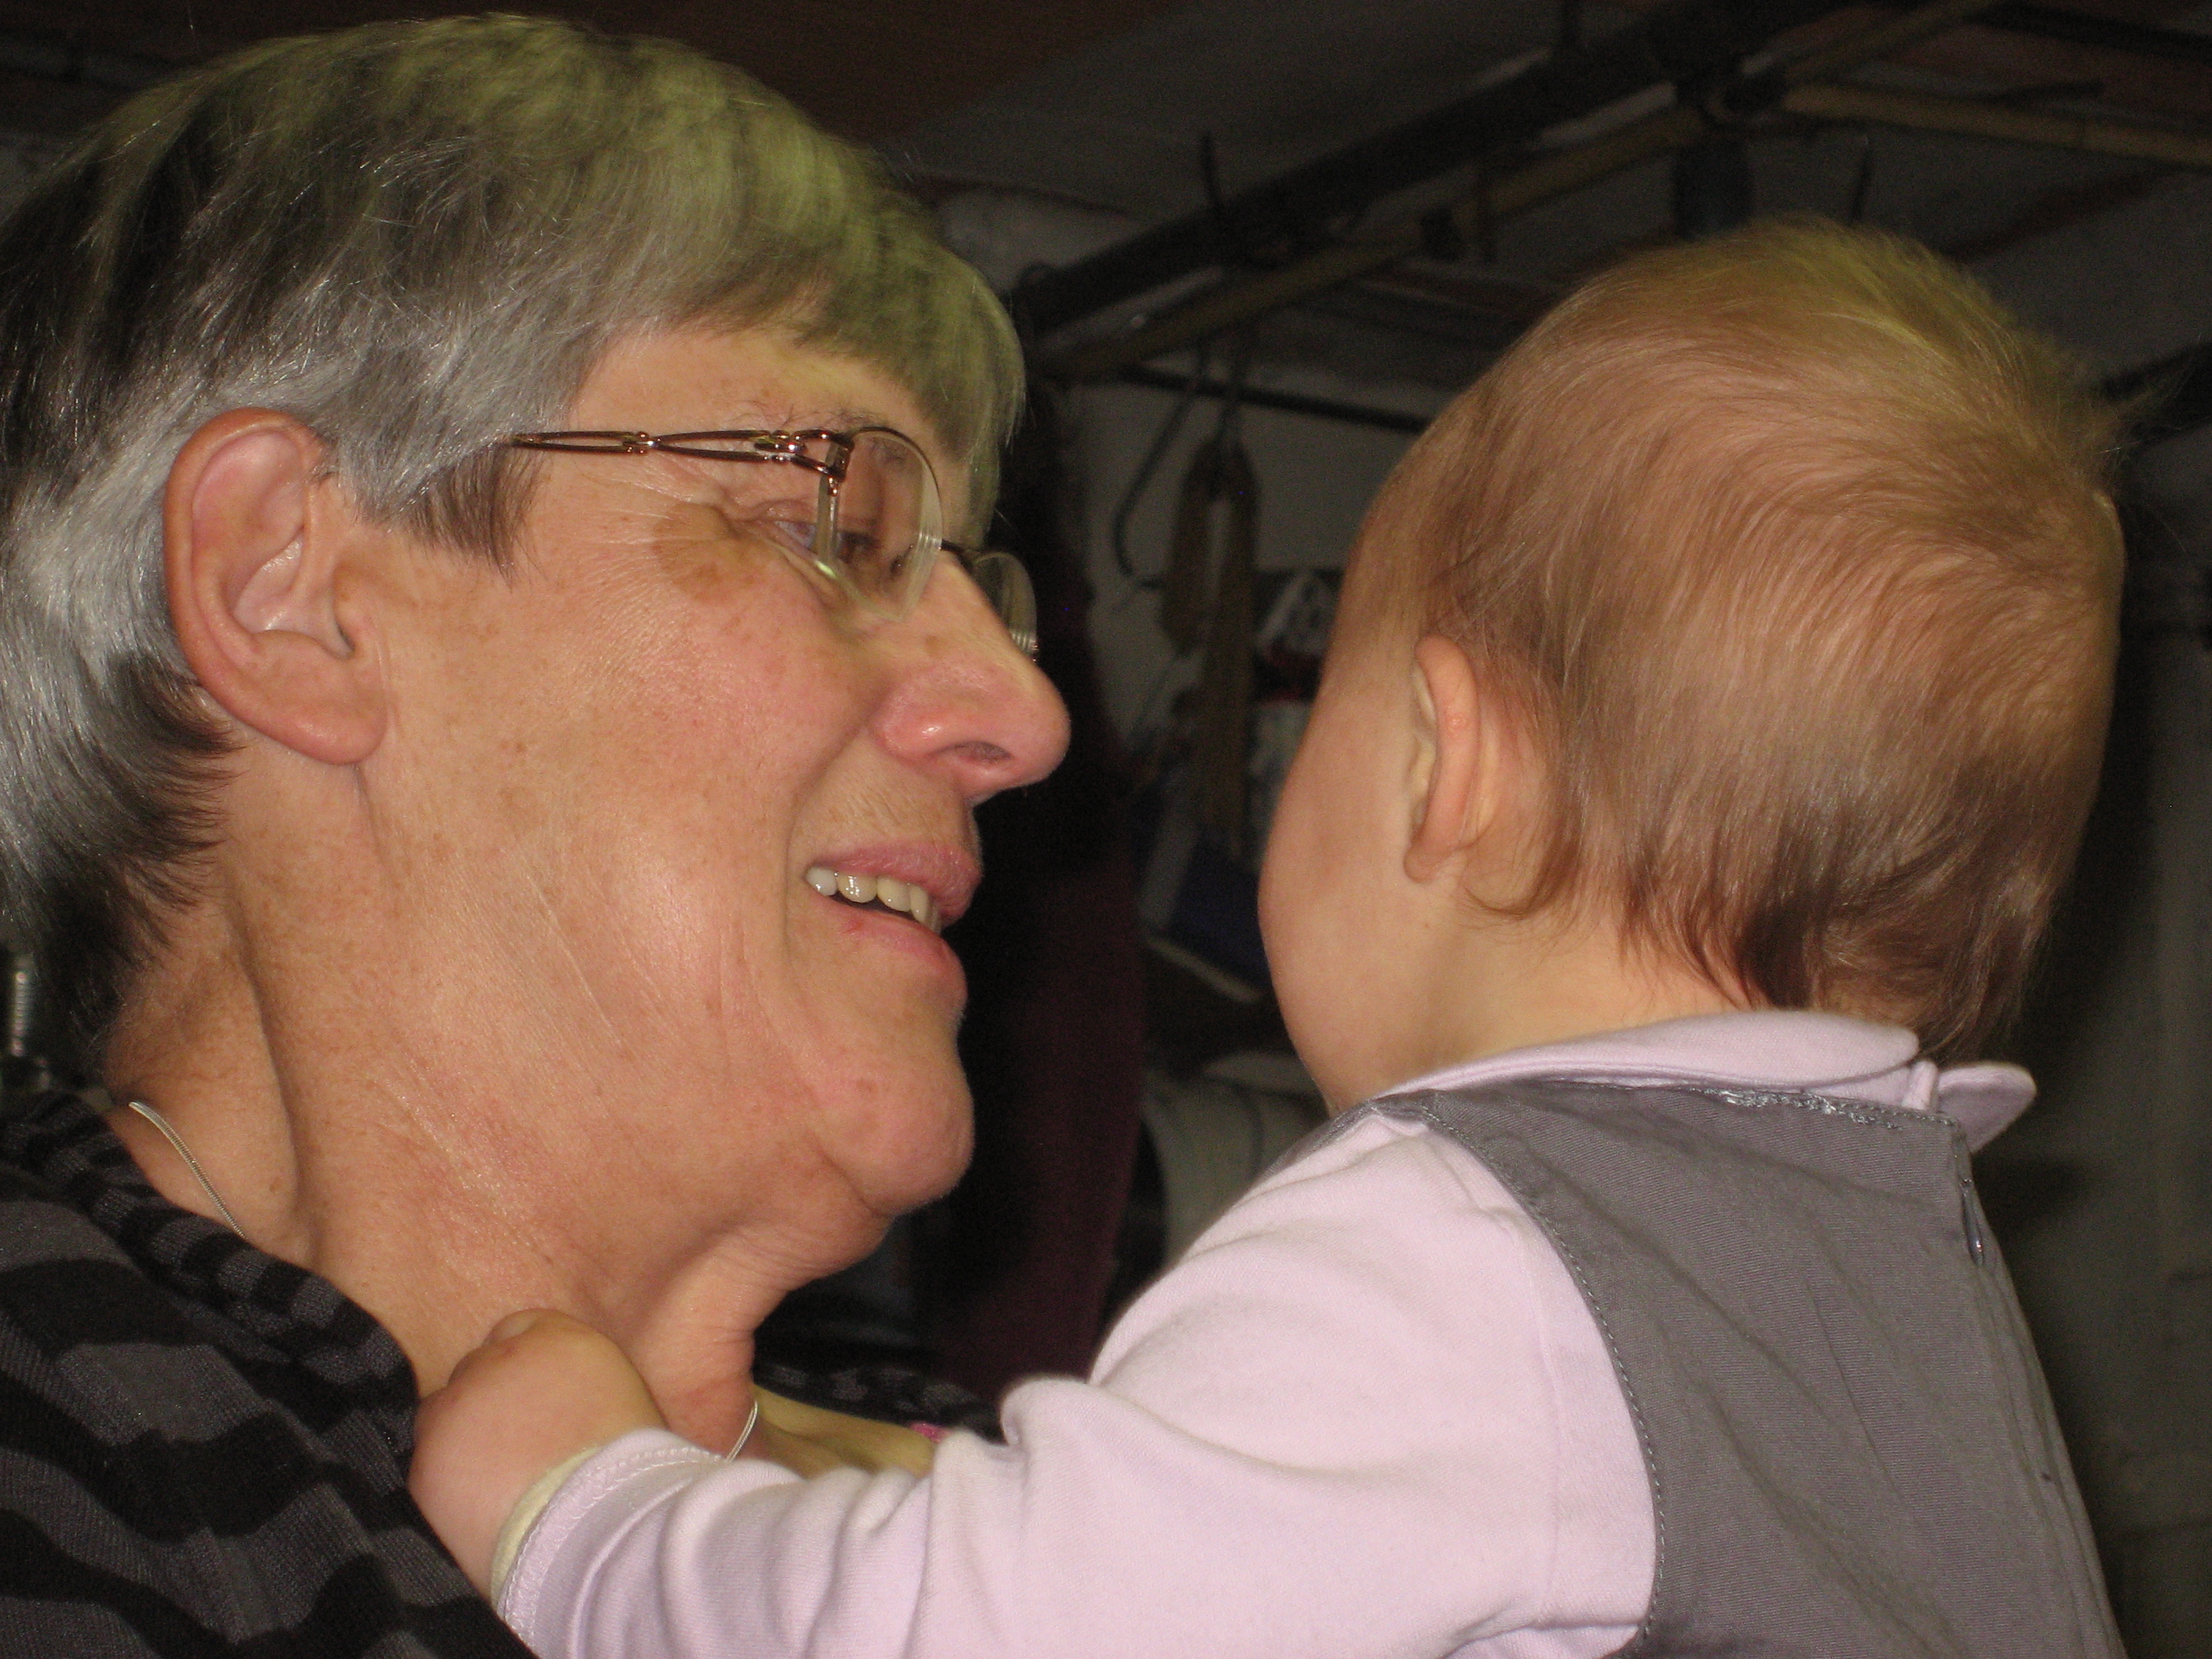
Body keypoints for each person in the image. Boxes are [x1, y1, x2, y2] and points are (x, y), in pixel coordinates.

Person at [410, 218, 2130, 1659]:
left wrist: (581, 1510)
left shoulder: (1465, 1250)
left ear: (1443, 768)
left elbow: (972, 1635)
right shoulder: (1913, 1303)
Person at [0, 16, 1064, 1657]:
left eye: (983, 587)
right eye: (838, 528)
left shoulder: (1022, 1545)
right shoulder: (56, 1441)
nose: (1021, 715)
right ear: (291, 591)